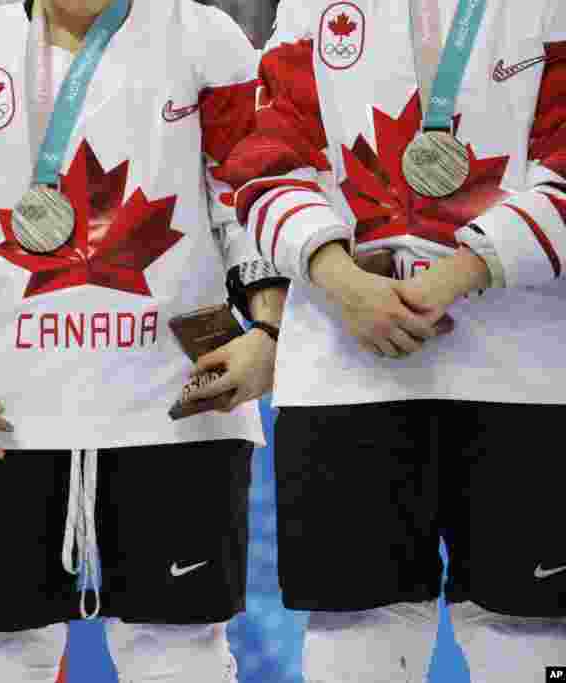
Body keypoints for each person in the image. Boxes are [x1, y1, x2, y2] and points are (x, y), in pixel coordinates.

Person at [0, 1, 288, 681]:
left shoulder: (203, 40)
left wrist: (270, 331)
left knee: (181, 655)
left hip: (177, 408)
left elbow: (250, 197)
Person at [225, 0, 566, 680]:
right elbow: (264, 160)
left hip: (524, 373)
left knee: (527, 637)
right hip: (346, 369)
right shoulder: (310, 6)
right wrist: (340, 280)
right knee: (357, 637)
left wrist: (460, 274)